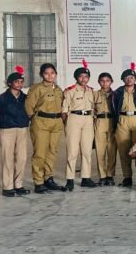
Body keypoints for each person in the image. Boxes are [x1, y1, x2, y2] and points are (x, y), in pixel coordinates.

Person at [25, 62, 65, 194]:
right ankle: (38, 182)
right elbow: (29, 107)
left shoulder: (58, 89)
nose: (50, 75)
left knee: (52, 152)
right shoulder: (37, 88)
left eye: (52, 73)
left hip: (56, 123)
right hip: (41, 122)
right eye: (47, 73)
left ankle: (48, 178)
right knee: (40, 153)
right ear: (42, 75)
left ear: (56, 74)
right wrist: (35, 119)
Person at [0, 65, 30, 196]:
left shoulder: (25, 98)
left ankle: (18, 185)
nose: (19, 84)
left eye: (21, 82)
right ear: (9, 83)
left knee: (22, 158)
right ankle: (7, 187)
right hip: (7, 130)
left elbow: (30, 112)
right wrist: (2, 128)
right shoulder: (1, 98)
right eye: (16, 82)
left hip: (22, 130)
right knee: (7, 158)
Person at [62, 60, 97, 191]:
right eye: (81, 76)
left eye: (86, 77)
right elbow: (64, 110)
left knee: (87, 150)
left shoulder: (91, 91)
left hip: (88, 119)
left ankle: (85, 178)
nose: (84, 79)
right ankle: (69, 179)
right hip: (74, 119)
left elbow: (94, 107)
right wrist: (67, 124)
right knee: (72, 151)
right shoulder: (70, 91)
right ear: (76, 77)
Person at [113, 63, 136, 187]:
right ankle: (127, 177)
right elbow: (113, 107)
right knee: (123, 150)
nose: (129, 80)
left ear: (135, 79)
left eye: (131, 78)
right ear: (123, 80)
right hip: (122, 119)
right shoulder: (117, 92)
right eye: (126, 78)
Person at [93, 72, 116, 186]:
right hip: (100, 121)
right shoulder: (95, 94)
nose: (105, 83)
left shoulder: (116, 94)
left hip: (112, 121)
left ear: (111, 81)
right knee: (100, 150)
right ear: (99, 82)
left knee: (111, 150)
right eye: (102, 81)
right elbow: (92, 110)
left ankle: (110, 175)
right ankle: (102, 176)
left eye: (107, 80)